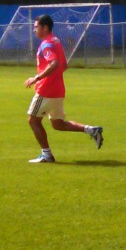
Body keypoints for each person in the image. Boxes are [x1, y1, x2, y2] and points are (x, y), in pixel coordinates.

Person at [24, 14, 103, 163]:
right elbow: (64, 65)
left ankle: (46, 155)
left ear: (45, 28)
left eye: (36, 27)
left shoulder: (47, 44)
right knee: (58, 124)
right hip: (58, 90)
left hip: (46, 90)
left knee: (33, 121)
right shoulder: (56, 41)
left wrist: (37, 78)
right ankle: (91, 130)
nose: (34, 29)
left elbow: (54, 64)